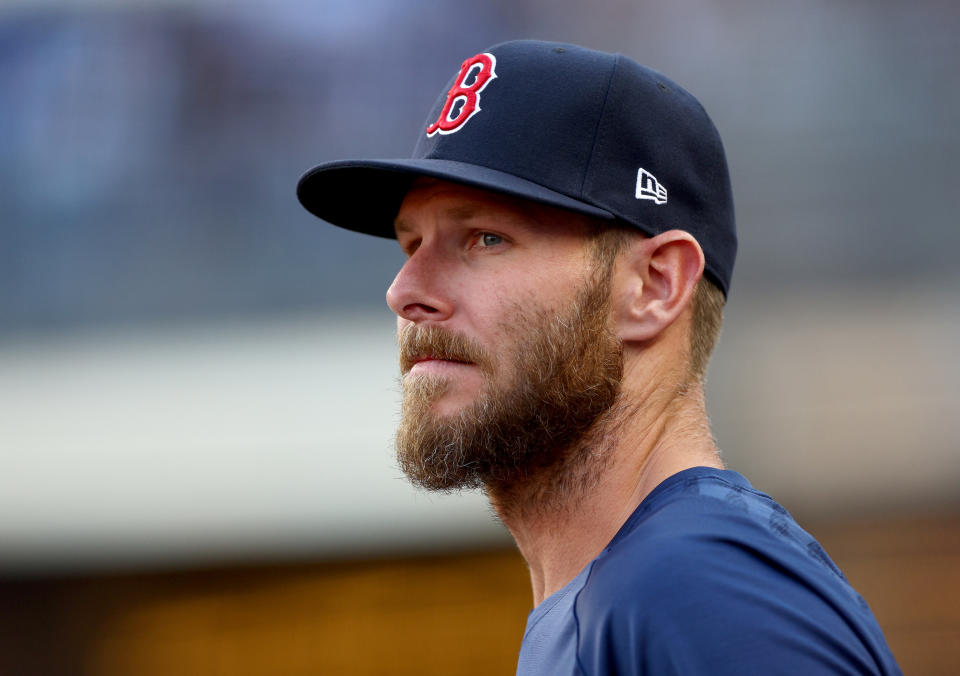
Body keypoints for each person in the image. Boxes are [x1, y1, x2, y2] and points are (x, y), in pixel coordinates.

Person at [297, 40, 901, 675]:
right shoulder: (634, 591)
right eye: (411, 243)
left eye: (485, 238)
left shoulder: (701, 589)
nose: (405, 292)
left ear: (655, 287)